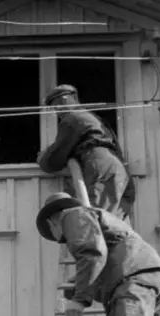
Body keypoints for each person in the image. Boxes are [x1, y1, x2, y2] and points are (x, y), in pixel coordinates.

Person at [37, 192, 160, 316]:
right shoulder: (101, 221)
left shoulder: (72, 216)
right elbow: (104, 260)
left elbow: (92, 253)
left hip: (134, 280)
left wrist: (79, 300)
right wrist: (78, 283)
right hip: (150, 279)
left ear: (51, 221)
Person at [37, 84, 135, 218]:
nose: (57, 113)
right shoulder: (93, 118)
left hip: (99, 164)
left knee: (98, 220)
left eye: (56, 107)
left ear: (66, 100)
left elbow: (54, 158)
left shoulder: (73, 118)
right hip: (118, 169)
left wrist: (42, 158)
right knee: (115, 223)